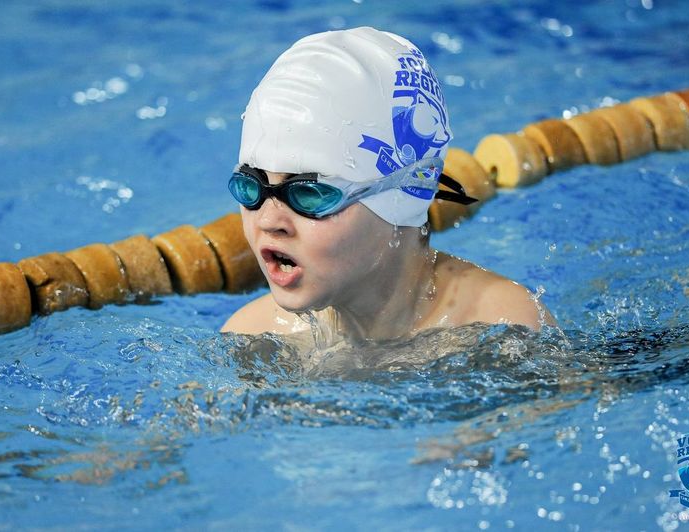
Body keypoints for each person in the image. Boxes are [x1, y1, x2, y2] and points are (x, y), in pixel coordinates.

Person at [221, 27, 555, 343]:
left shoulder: (503, 329)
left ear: (402, 194)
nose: (268, 221)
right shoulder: (252, 335)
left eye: (310, 193)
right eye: (251, 187)